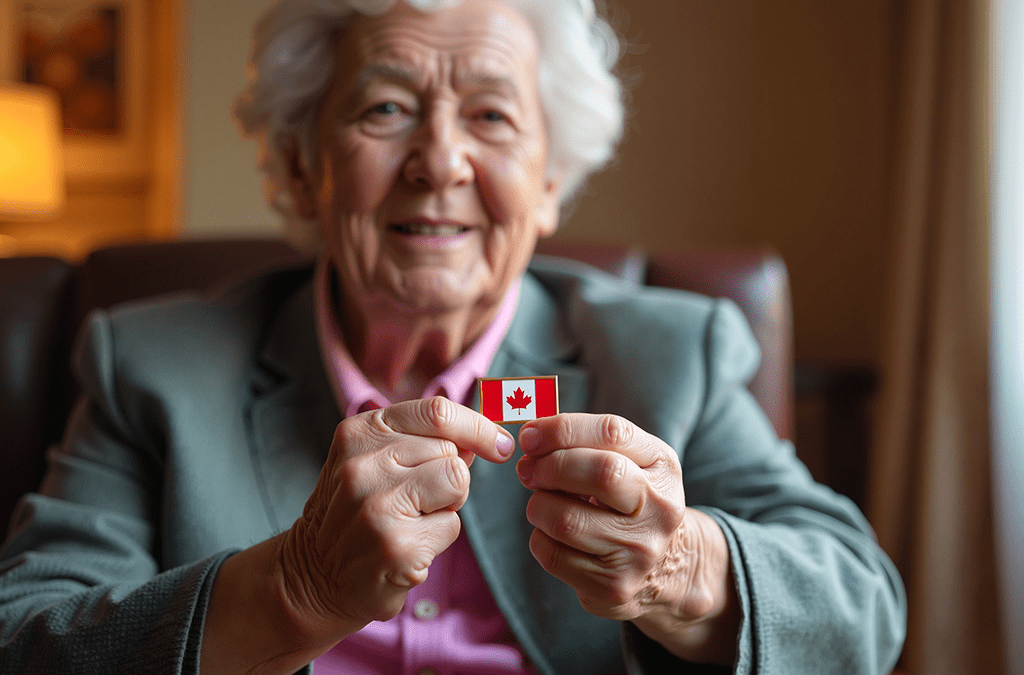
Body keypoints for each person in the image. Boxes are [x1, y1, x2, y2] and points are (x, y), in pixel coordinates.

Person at [0, 0, 906, 672]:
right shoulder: (151, 365)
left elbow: (861, 607)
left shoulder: (670, 354)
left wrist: (680, 564)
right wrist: (294, 590)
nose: (439, 161)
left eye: (492, 116)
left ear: (550, 180)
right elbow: (23, 632)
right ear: (302, 165)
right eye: (385, 109)